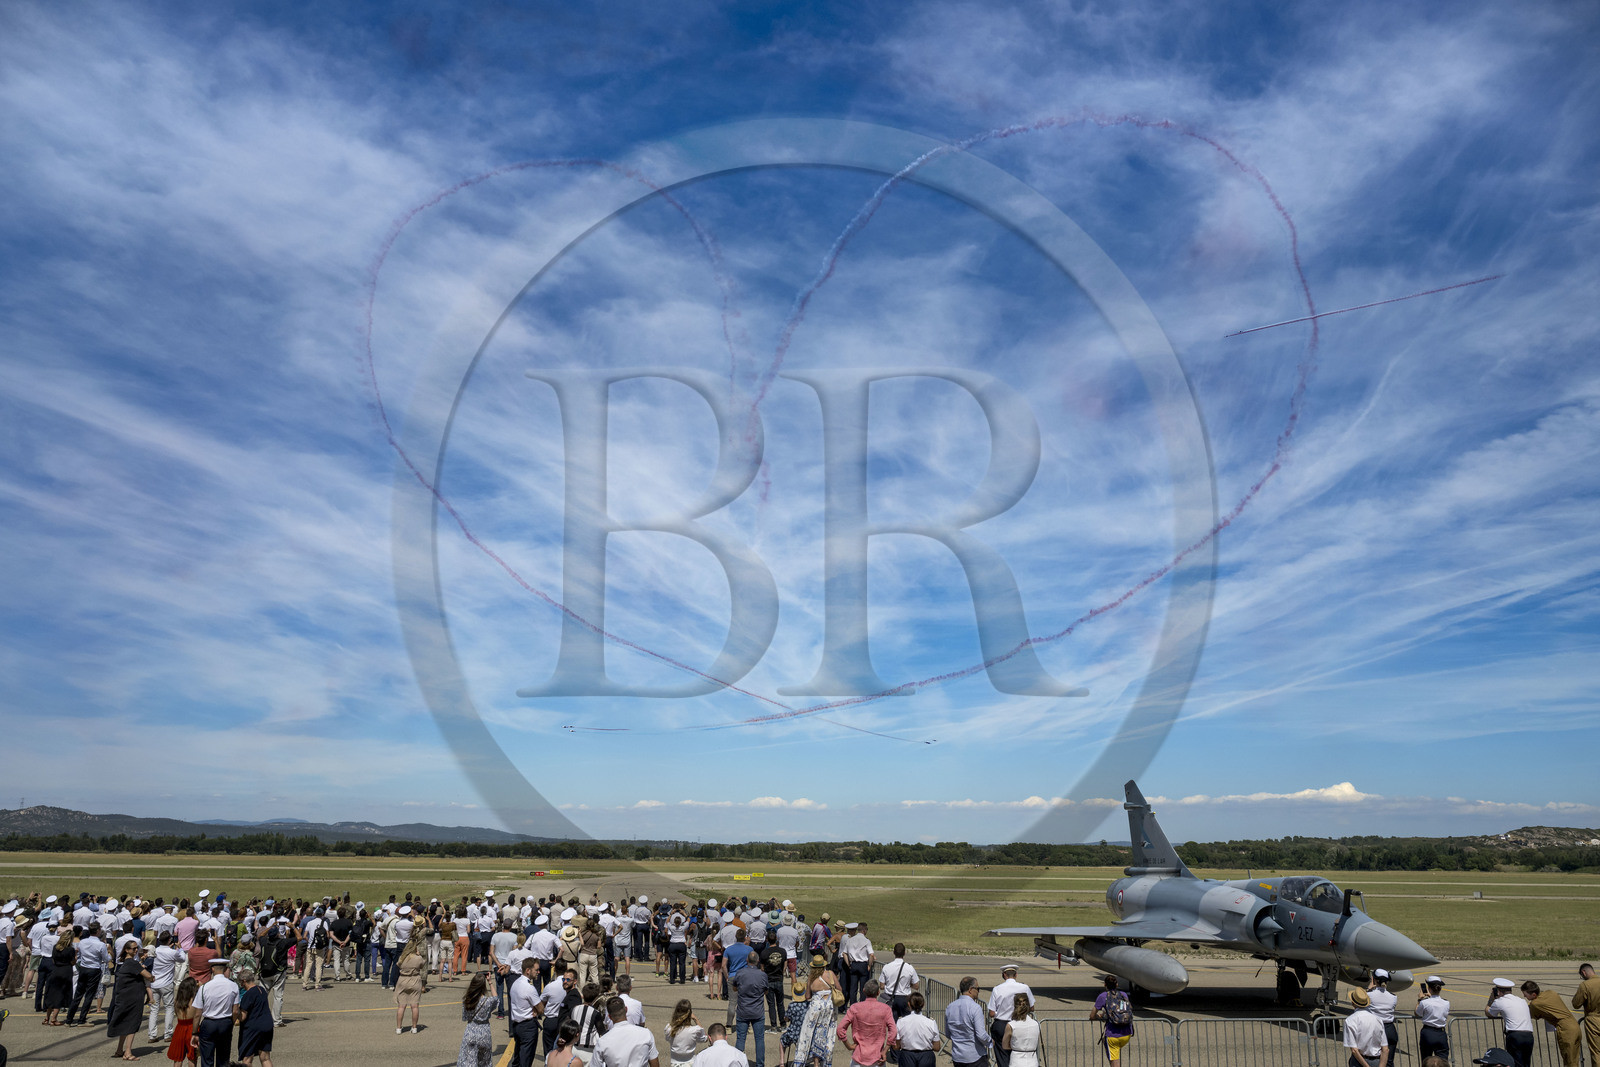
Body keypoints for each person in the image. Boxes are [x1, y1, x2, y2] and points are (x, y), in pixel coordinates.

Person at [109, 940, 152, 1059]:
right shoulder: (132, 963)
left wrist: (141, 962)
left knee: (125, 1023)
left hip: (125, 997)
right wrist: (151, 976)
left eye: (136, 948)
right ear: (127, 950)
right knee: (132, 1024)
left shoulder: (126, 963)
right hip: (133, 998)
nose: (136, 950)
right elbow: (148, 976)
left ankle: (119, 1050)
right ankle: (128, 1052)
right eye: (133, 949)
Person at [1522, 980, 1581, 1067]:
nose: (1524, 996)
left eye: (1525, 995)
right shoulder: (1550, 992)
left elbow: (1532, 1014)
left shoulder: (1535, 1004)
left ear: (1533, 994)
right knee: (1574, 1059)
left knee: (1569, 1060)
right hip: (1575, 1026)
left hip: (1565, 1030)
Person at [837, 980, 896, 1067]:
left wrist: (848, 1046)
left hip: (858, 1056)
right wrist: (885, 1050)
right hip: (878, 1057)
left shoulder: (854, 1008)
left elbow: (840, 1029)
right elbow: (893, 1031)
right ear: (878, 993)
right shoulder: (886, 1009)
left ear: (863, 991)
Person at [194, 957, 239, 1067]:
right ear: (224, 969)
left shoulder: (204, 987)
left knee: (207, 1059)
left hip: (209, 1023)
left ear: (212, 969)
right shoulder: (233, 985)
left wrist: (194, 1032)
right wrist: (230, 1023)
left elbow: (197, 1014)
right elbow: (235, 1011)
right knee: (223, 1059)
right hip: (225, 1022)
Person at [593, 995, 660, 1067]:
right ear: (626, 1010)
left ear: (609, 1016)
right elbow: (654, 1063)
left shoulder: (602, 1041)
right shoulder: (646, 1034)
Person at [985, 965, 1031, 1067]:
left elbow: (992, 1013)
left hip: (1002, 1024)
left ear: (1004, 975)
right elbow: (1031, 1007)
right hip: (1020, 1023)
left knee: (1003, 1057)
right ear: (1016, 975)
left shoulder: (997, 989)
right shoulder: (1024, 988)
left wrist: (1001, 1012)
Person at [733, 945, 772, 1067]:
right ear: (757, 961)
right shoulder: (762, 975)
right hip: (757, 1011)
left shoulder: (740, 973)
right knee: (759, 1039)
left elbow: (735, 988)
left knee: (741, 1039)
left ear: (747, 960)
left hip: (743, 1010)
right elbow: (766, 991)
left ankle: (738, 1063)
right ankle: (760, 1064)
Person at [1486, 977, 1534, 1067]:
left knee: (1514, 1063)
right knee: (1526, 1063)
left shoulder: (1499, 1001)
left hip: (1515, 1035)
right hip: (1528, 1035)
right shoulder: (1522, 1001)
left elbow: (1489, 1013)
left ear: (1499, 991)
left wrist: (1491, 1000)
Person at [944, 976, 991, 1067]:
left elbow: (948, 1034)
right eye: (978, 989)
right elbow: (981, 1034)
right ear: (970, 989)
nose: (978, 991)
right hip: (974, 1056)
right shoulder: (975, 1008)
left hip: (958, 1057)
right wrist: (990, 1041)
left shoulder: (950, 1007)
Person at [235, 966, 275, 1067]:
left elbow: (243, 1017)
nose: (241, 985)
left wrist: (236, 1010)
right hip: (267, 1025)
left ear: (244, 981)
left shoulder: (248, 994)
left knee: (247, 1058)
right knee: (265, 1057)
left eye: (241, 982)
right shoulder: (261, 990)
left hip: (253, 1028)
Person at [1089, 974, 1133, 1062]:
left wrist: (1099, 1016)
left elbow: (1092, 1016)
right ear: (1117, 984)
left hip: (1112, 1035)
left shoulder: (1102, 996)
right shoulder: (1123, 994)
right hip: (1127, 1033)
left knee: (1114, 1061)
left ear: (1105, 984)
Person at [457, 972, 498, 1067]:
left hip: (471, 1031)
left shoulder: (467, 1000)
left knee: (468, 1062)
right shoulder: (487, 1002)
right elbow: (496, 999)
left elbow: (465, 1017)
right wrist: (490, 982)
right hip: (484, 1033)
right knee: (485, 1062)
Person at [891, 993, 940, 1067]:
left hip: (907, 1056)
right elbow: (937, 1047)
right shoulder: (931, 1022)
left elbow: (896, 1046)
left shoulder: (901, 1021)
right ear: (923, 1005)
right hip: (926, 1056)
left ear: (909, 1004)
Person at [1343, 989, 1389, 1067]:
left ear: (1353, 1003)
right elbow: (1385, 1049)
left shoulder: (1350, 1020)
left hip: (1359, 1061)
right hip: (1377, 1060)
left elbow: (1354, 1050)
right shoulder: (1378, 1019)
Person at [395, 929, 429, 1034]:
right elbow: (422, 965)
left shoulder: (402, 957)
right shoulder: (418, 958)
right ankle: (414, 1027)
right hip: (415, 979)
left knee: (402, 1006)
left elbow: (398, 965)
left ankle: (399, 1028)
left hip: (403, 979)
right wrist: (418, 955)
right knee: (414, 1005)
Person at [1413, 975, 1450, 1064]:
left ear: (1428, 988)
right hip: (1441, 1033)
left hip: (1428, 1032)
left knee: (1426, 1061)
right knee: (1443, 1062)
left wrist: (1420, 999)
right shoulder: (1446, 1003)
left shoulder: (1425, 1002)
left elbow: (1417, 1013)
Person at [42, 926, 73, 1026]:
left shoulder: (56, 947)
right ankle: (54, 1019)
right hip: (66, 971)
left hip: (55, 970)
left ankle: (47, 1018)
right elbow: (72, 961)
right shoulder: (70, 950)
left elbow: (54, 960)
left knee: (51, 994)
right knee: (60, 995)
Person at [167, 977, 200, 1066]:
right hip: (191, 1028)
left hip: (180, 1028)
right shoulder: (194, 1000)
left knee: (178, 1058)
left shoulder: (177, 1001)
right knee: (192, 1057)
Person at [1571, 964, 1600, 1067]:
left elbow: (1576, 1003)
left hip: (1593, 1020)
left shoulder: (1586, 985)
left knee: (1596, 1052)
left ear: (1583, 972)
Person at [666, 998, 709, 1066]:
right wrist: (696, 1019)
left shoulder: (669, 1028)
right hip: (690, 1062)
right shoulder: (694, 1030)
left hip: (675, 1063)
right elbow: (705, 1038)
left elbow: (667, 1039)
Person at [838, 925, 873, 1007]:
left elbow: (844, 953)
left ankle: (853, 1005)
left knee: (853, 987)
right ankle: (862, 1005)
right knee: (863, 988)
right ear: (864, 930)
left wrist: (848, 964)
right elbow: (871, 954)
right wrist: (869, 965)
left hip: (853, 964)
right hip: (863, 964)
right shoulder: (866, 941)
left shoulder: (850, 940)